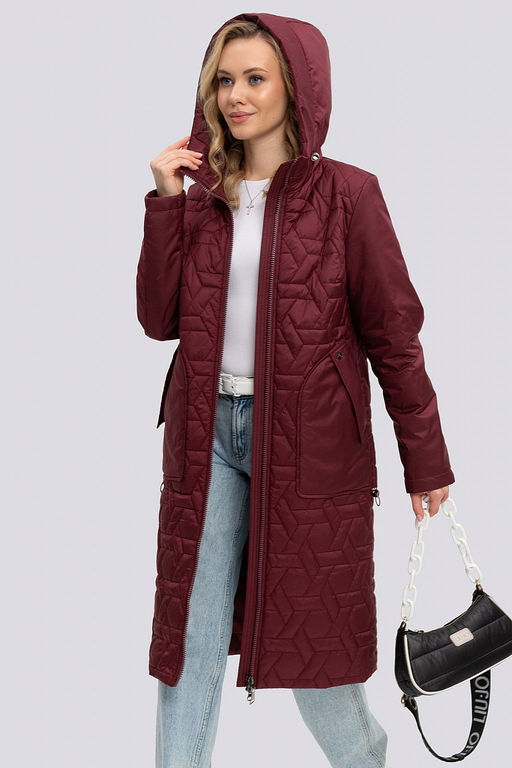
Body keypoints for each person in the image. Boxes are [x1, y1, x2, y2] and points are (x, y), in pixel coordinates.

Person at [136, 12, 455, 768]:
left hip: (312, 446)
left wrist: (426, 459)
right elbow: (158, 320)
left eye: (255, 78)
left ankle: (365, 757)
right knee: (190, 639)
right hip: (205, 436)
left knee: (316, 650)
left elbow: (393, 334)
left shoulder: (349, 195)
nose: (236, 96)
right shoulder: (200, 197)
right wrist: (164, 201)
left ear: (297, 88)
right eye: (224, 80)